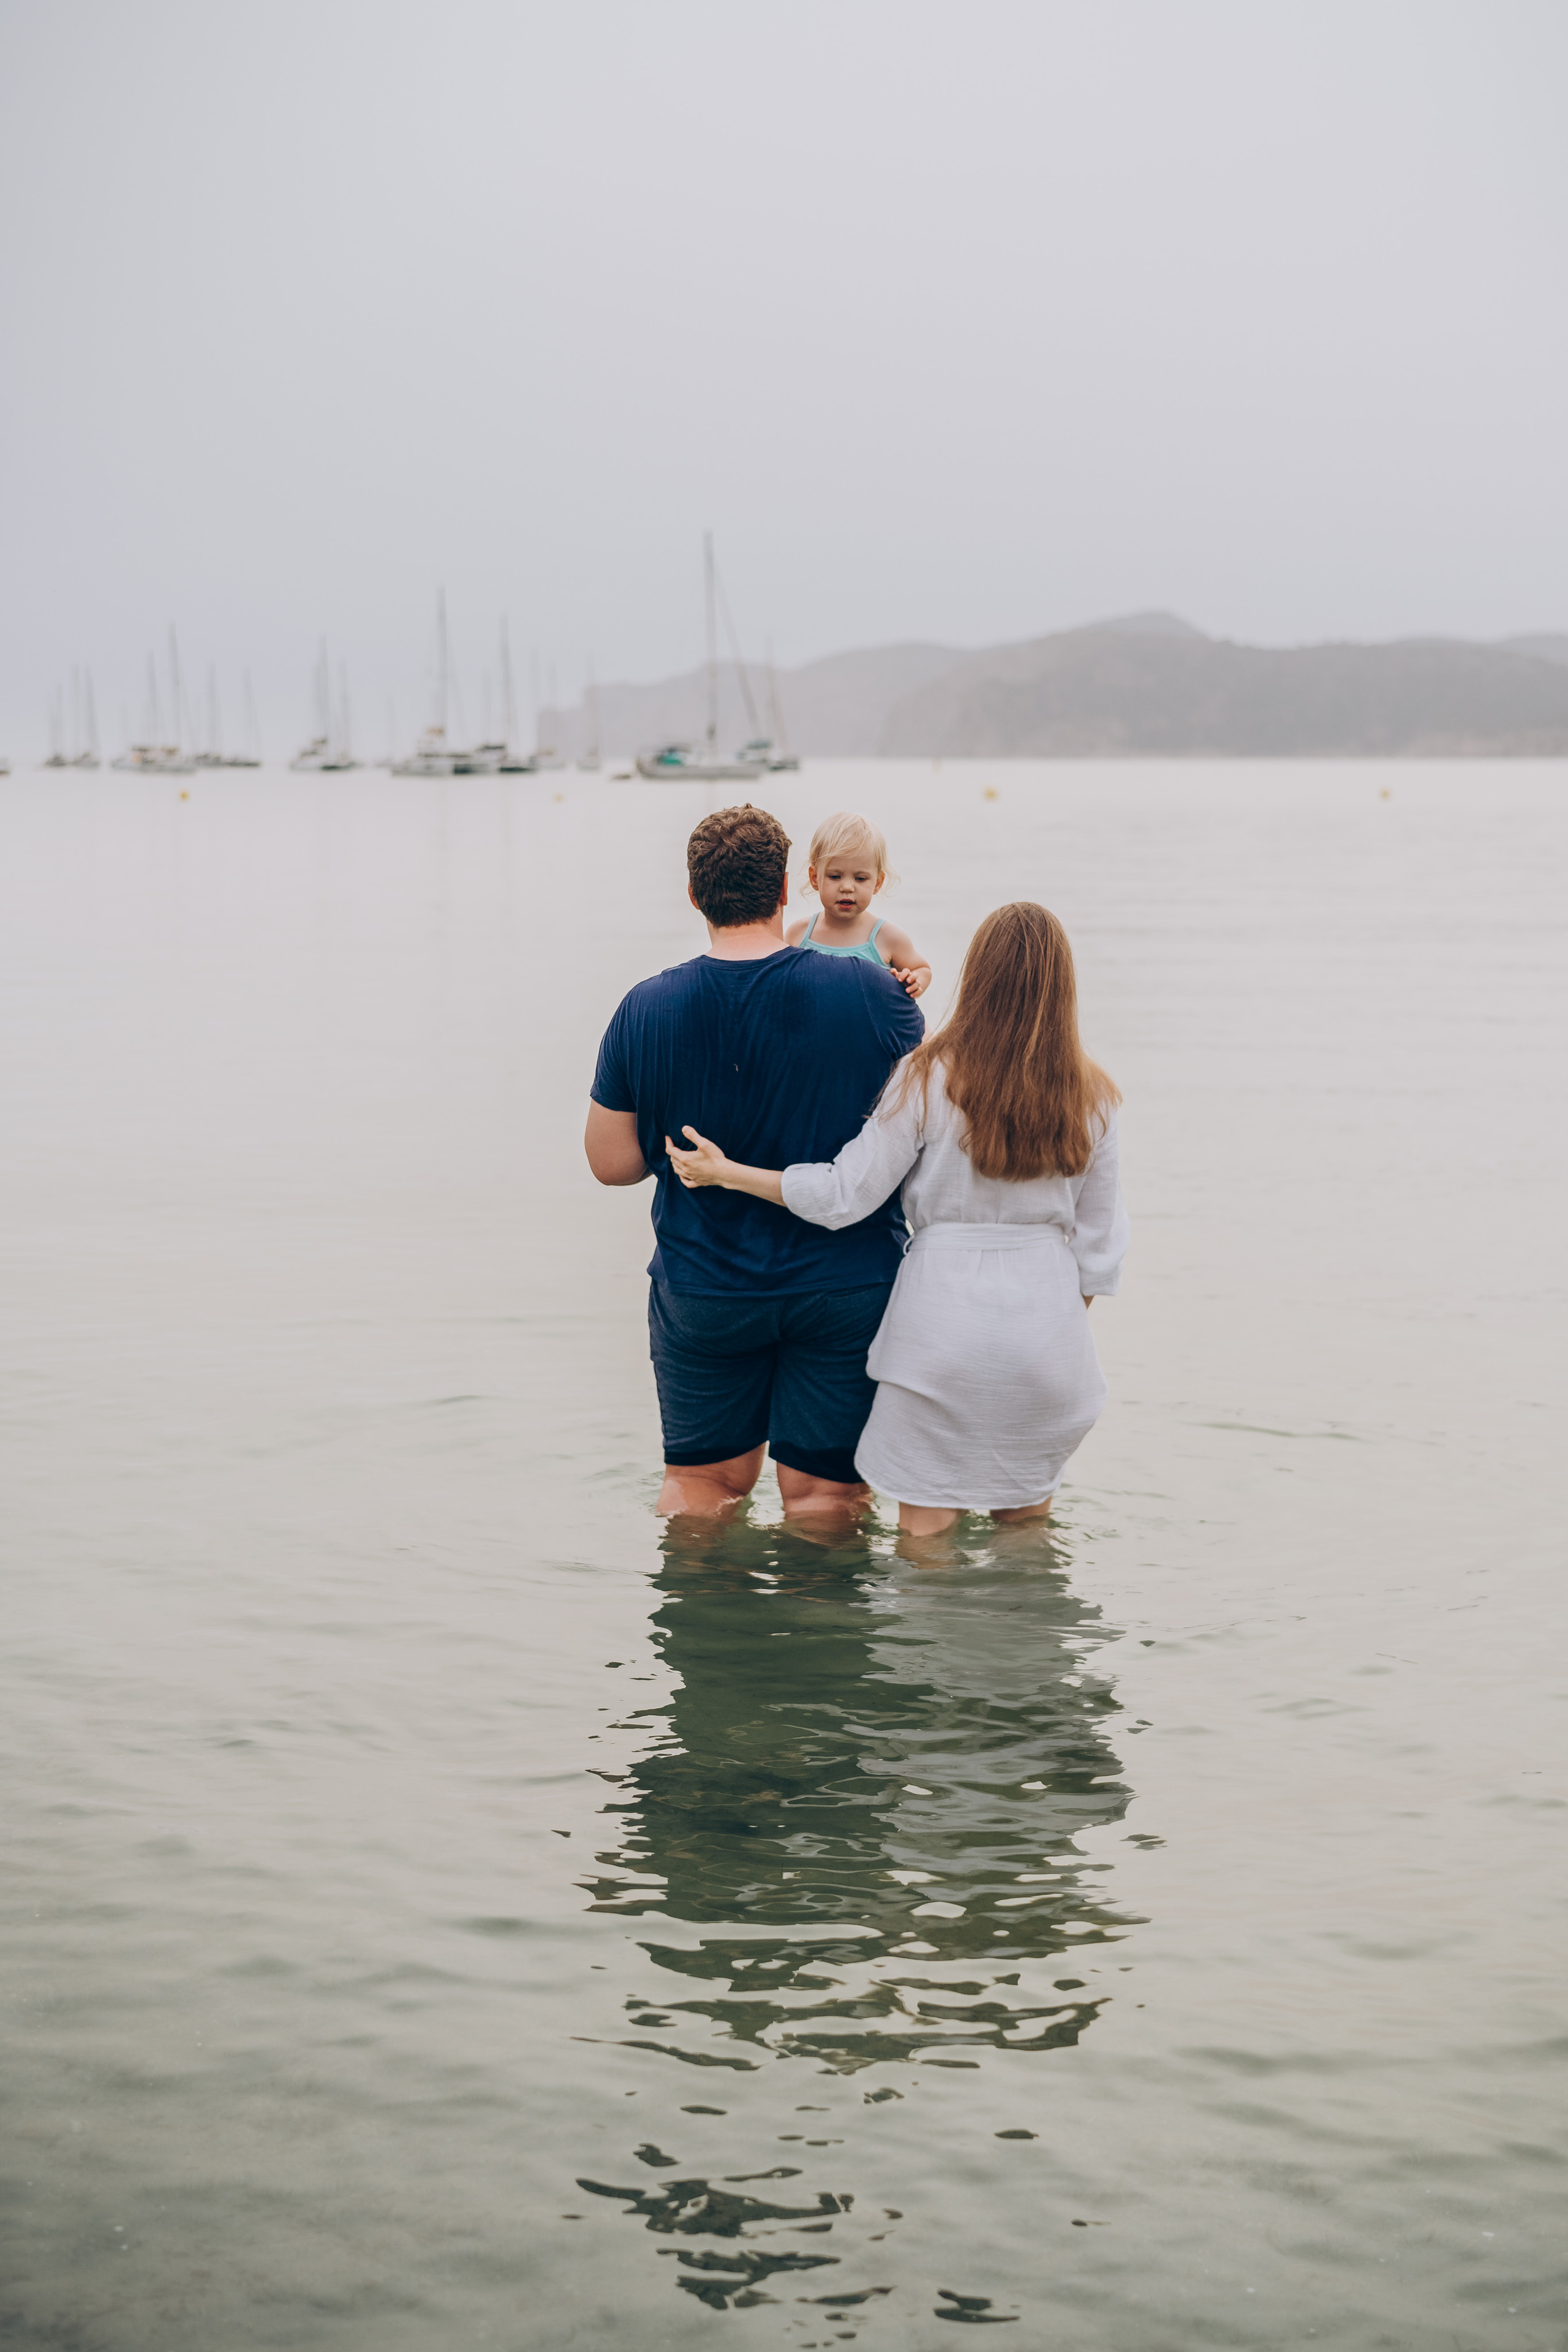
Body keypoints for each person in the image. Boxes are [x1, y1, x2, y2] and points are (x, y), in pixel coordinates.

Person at [667, 900, 1129, 1539]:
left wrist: (729, 1173)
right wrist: (1042, 1327)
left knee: (927, 1533)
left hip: (939, 1329)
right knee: (1026, 1537)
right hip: (1048, 1334)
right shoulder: (1095, 1094)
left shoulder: (926, 1076)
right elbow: (1100, 1249)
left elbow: (843, 1195)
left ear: (977, 976)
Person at [584, 804, 924, 1520]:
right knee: (826, 1496)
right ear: (783, 893)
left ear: (694, 897)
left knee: (699, 1487)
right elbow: (919, 1113)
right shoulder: (870, 993)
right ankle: (823, 1631)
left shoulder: (644, 1008)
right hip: (847, 1283)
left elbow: (610, 1164)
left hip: (707, 1285)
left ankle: (705, 1626)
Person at [784, 811, 931, 998]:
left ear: (877, 883)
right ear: (815, 877)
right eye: (835, 877)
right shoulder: (799, 934)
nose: (847, 887)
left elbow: (922, 968)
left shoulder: (887, 937)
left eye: (860, 879)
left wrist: (914, 981)